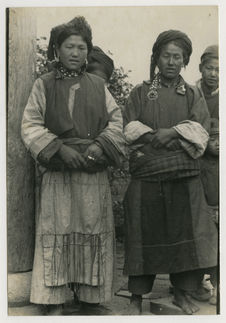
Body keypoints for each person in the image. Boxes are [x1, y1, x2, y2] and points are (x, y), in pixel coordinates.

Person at [21, 16, 125, 315]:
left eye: (82, 47)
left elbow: (116, 121)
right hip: (59, 172)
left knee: (92, 229)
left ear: (88, 51)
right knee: (58, 230)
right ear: (57, 49)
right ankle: (53, 302)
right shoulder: (43, 85)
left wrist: (98, 145)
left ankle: (91, 300)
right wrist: (59, 150)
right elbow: (30, 124)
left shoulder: (97, 84)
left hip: (92, 171)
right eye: (69, 46)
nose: (76, 53)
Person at [123, 30, 218, 315]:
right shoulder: (141, 92)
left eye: (178, 57)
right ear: (156, 58)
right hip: (148, 174)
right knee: (142, 233)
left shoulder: (192, 94)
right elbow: (128, 128)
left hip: (183, 175)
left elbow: (200, 132)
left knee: (185, 231)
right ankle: (136, 297)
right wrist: (154, 136)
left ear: (185, 61)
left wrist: (173, 132)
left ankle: (183, 292)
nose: (172, 62)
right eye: (166, 56)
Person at [192, 45, 219, 305]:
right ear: (201, 68)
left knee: (216, 223)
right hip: (193, 165)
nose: (214, 74)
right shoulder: (191, 93)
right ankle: (195, 279)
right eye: (210, 68)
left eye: (220, 70)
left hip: (216, 171)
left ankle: (216, 279)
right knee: (194, 221)